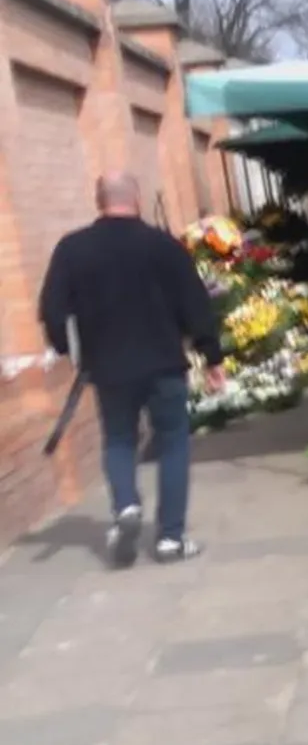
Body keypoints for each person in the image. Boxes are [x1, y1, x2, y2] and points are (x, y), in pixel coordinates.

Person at [38, 172, 225, 567]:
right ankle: (171, 539)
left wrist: (67, 348)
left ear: (98, 200)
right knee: (173, 441)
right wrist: (212, 356)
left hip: (109, 368)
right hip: (163, 363)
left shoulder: (72, 249)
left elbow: (52, 310)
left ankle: (125, 506)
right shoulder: (162, 245)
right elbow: (195, 303)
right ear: (137, 198)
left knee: (119, 440)